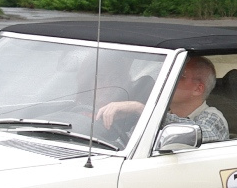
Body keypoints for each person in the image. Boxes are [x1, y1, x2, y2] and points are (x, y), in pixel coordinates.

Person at [96, 55, 229, 143]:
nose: (167, 80)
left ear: (197, 89)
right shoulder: (162, 116)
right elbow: (124, 144)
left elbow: (202, 133)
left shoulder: (213, 118)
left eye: (180, 75)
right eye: (169, 74)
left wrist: (142, 110)